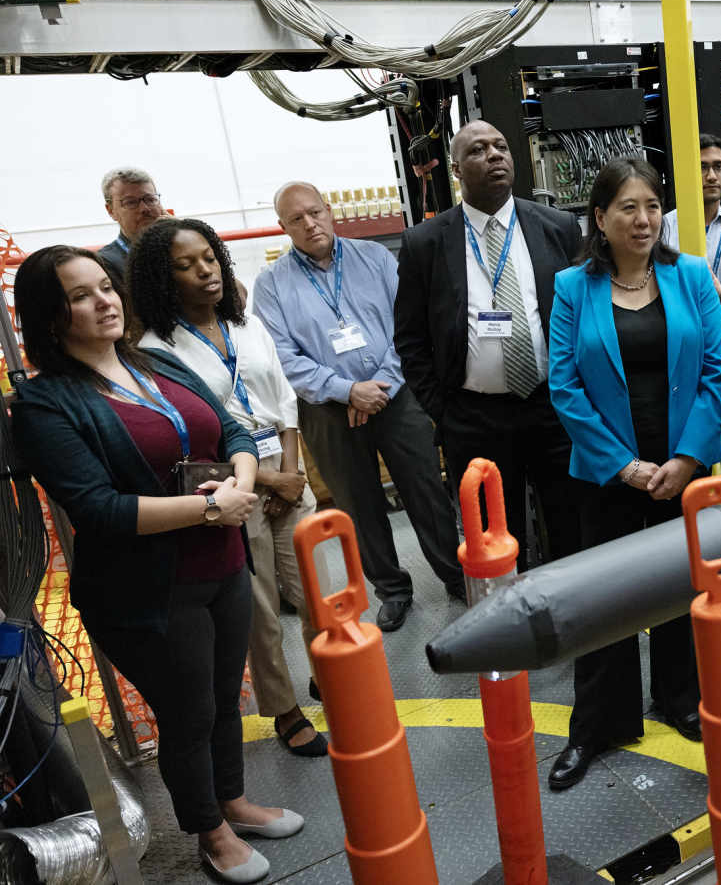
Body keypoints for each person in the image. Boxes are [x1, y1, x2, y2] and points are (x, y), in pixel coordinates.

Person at [10, 246, 302, 884]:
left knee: (226, 700)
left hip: (222, 563)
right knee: (188, 713)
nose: (104, 301)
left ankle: (234, 801)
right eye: (80, 296)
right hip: (149, 591)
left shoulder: (158, 361)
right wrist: (209, 509)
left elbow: (234, 431)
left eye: (105, 287)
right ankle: (210, 831)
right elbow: (98, 509)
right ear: (49, 317)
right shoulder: (46, 403)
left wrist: (241, 485)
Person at [547, 157, 721, 790]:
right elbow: (565, 386)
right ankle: (598, 723)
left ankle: (680, 697)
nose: (644, 219)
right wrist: (623, 465)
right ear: (600, 218)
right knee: (607, 599)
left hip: (682, 464)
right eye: (628, 207)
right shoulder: (574, 287)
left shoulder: (692, 277)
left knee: (682, 587)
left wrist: (686, 459)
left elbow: (715, 371)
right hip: (609, 472)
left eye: (652, 206)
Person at [128, 216, 329, 758]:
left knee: (316, 592)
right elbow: (195, 435)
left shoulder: (245, 323)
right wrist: (264, 478)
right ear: (162, 280)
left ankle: (326, 677)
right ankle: (285, 709)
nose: (204, 271)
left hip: (285, 472)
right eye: (185, 265)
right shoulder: (155, 351)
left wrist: (292, 471)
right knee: (260, 611)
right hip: (230, 487)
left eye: (209, 258)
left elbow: (284, 396)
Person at [254, 182, 463, 633]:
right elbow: (283, 358)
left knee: (426, 489)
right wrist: (348, 391)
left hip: (395, 394)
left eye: (315, 212)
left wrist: (377, 386)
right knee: (358, 505)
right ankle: (392, 590)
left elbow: (407, 326)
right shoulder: (270, 285)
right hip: (328, 410)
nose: (309, 224)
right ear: (283, 227)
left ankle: (455, 575)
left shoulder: (376, 258)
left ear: (329, 211)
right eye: (296, 219)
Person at [394, 121, 583, 570]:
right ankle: (513, 633)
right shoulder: (425, 243)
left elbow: (583, 319)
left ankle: (578, 630)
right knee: (495, 542)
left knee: (571, 528)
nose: (495, 154)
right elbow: (411, 338)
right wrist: (445, 411)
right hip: (474, 419)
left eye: (501, 146)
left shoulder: (557, 227)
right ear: (456, 169)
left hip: (553, 409)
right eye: (479, 149)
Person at [659, 133, 721, 485]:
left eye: (718, 166)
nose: (712, 175)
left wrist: (714, 292)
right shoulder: (661, 229)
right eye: (702, 168)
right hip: (674, 362)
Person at [98, 166, 165, 278]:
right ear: (111, 211)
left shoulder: (179, 247)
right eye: (131, 202)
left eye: (150, 199)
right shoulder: (104, 262)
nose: (145, 209)